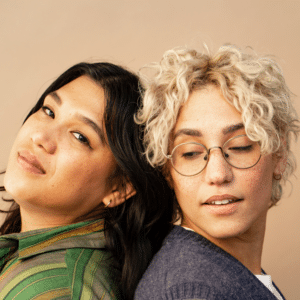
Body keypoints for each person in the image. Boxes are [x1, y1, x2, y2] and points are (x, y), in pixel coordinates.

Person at [134, 44, 299, 299]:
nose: (218, 174)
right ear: (167, 171)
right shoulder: (193, 291)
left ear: (279, 155)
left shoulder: (228, 273)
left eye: (241, 146)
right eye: (190, 153)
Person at [0, 62, 174, 299]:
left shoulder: (58, 290)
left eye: (80, 136)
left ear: (120, 188)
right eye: (49, 111)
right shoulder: (36, 259)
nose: (40, 137)